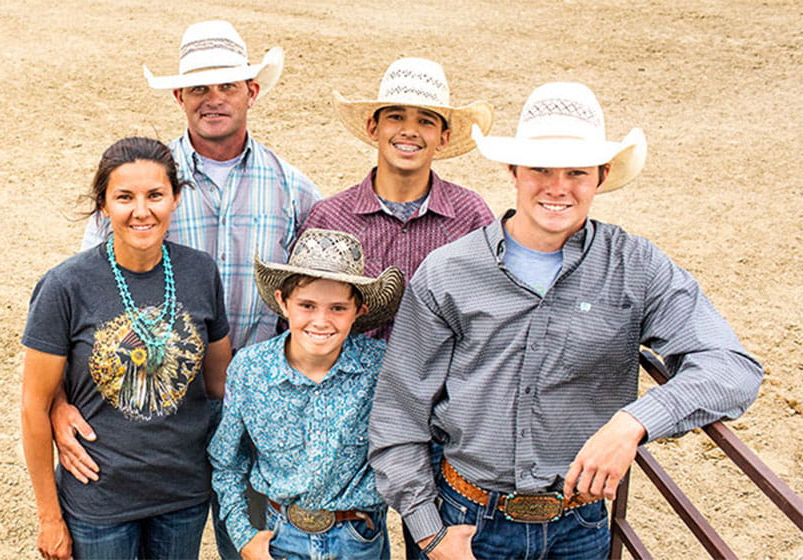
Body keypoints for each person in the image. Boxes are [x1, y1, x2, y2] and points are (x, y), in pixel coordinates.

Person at [368, 82, 763, 559]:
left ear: (601, 175)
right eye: (540, 168)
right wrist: (430, 532)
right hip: (465, 522)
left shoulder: (636, 267)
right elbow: (399, 410)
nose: (558, 187)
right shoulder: (449, 271)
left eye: (576, 171)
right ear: (513, 170)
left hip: (579, 525)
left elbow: (732, 367)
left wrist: (632, 423)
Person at [58, 20, 321, 558]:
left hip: (262, 411)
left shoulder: (295, 189)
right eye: (200, 87)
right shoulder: (142, 185)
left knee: (255, 546)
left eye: (228, 86)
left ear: (252, 91)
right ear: (180, 96)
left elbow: (314, 305)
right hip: (158, 415)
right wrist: (59, 402)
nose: (214, 99)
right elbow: (83, 301)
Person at [21, 136, 233, 560]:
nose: (141, 210)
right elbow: (33, 404)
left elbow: (218, 386)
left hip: (183, 495)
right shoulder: (65, 285)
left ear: (175, 199)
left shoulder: (200, 272)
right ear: (103, 205)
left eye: (155, 195)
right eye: (124, 197)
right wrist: (49, 516)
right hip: (98, 498)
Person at [209, 228, 405, 560]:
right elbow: (227, 461)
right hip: (281, 538)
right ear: (283, 304)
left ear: (360, 310)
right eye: (307, 305)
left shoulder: (379, 366)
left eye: (338, 308)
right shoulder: (250, 369)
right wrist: (244, 535)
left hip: (359, 539)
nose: (320, 320)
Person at [301, 57, 496, 342]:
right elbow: (301, 313)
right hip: (349, 382)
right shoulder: (331, 217)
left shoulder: (470, 216)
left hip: (442, 383)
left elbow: (491, 310)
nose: (409, 130)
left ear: (443, 138)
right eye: (395, 116)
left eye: (426, 120)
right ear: (373, 128)